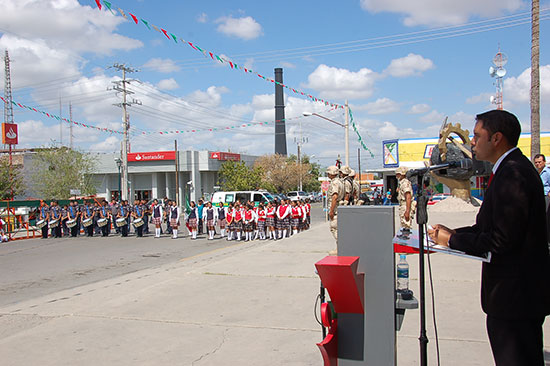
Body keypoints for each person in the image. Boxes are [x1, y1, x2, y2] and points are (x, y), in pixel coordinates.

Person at [428, 110, 550, 365]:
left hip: (515, 299)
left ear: (496, 138)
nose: (471, 142)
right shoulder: (509, 169)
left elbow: (500, 240)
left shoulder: (513, 173)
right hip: (512, 299)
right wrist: (450, 234)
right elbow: (488, 227)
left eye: (476, 135)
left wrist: (451, 241)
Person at [327, 165, 344, 243]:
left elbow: (334, 197)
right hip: (339, 208)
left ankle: (340, 247)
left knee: (334, 228)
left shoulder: (335, 182)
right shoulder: (340, 181)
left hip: (336, 210)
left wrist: (331, 211)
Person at [395, 166, 415, 232]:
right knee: (403, 226)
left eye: (397, 174)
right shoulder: (401, 183)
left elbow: (408, 197)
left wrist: (407, 211)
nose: (396, 176)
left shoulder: (405, 183)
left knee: (406, 226)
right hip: (402, 205)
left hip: (405, 205)